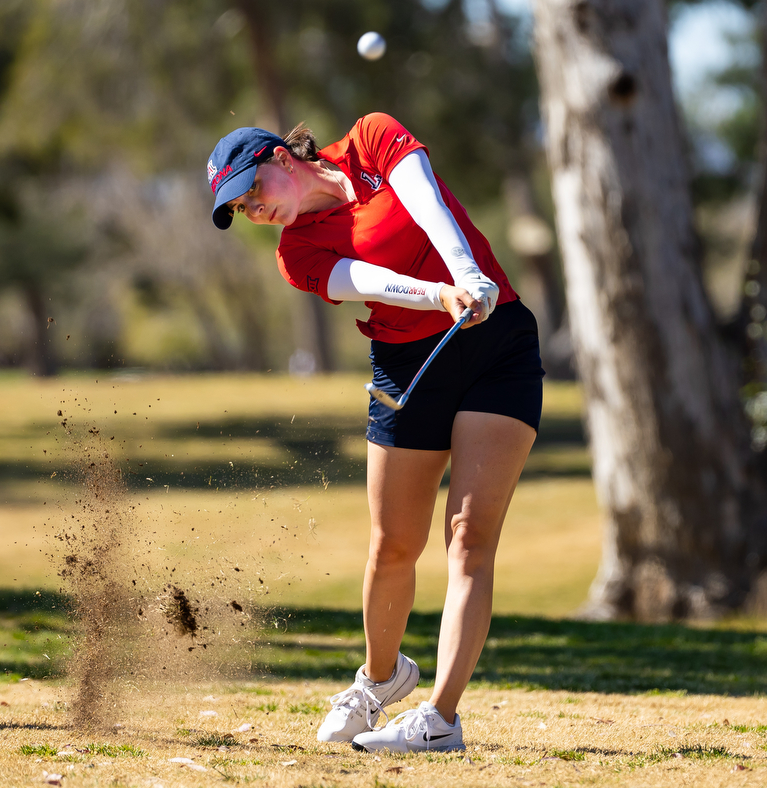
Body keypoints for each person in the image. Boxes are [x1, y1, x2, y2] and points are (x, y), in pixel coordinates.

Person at [207, 113, 543, 754]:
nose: (254, 209)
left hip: (498, 344)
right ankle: (380, 680)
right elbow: (366, 282)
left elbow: (429, 201)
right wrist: (439, 293)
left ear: (282, 157)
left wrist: (467, 272)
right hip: (406, 364)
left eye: (254, 190)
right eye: (242, 208)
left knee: (468, 538)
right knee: (394, 544)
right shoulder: (295, 253)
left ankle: (440, 721)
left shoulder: (369, 140)